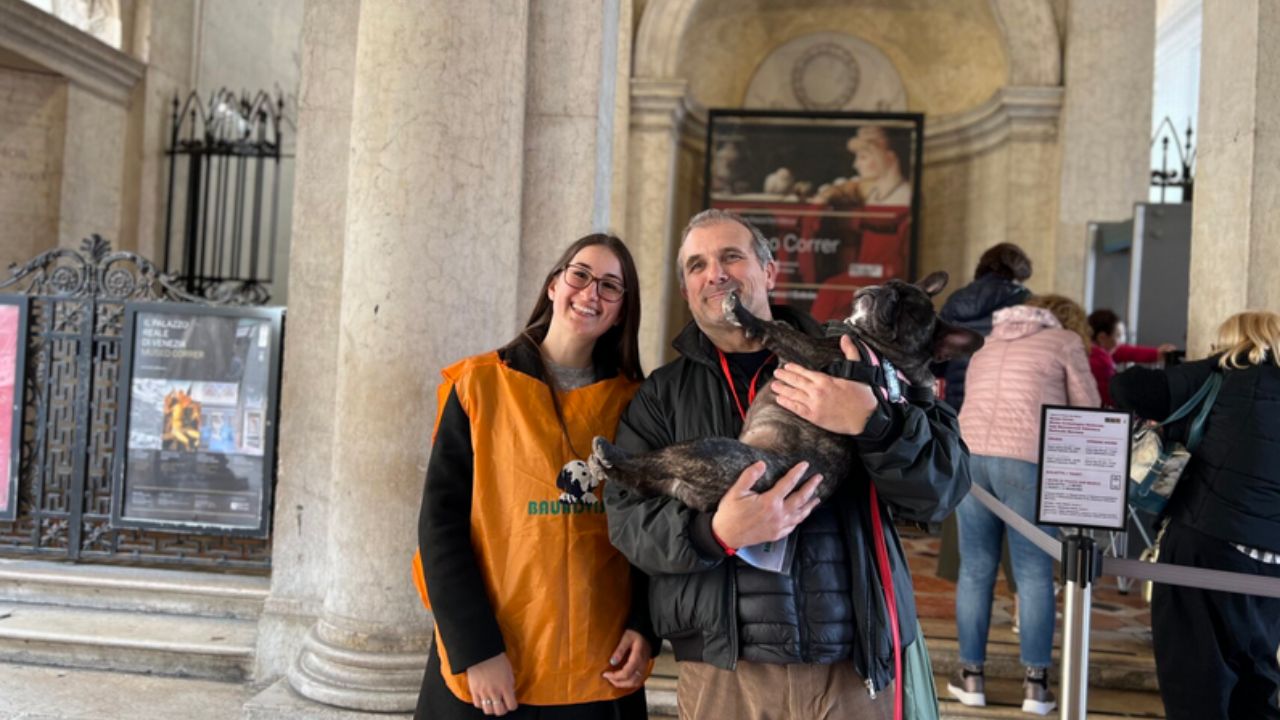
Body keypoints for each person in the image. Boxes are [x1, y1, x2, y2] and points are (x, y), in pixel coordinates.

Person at [603, 209, 971, 720]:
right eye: (697, 265)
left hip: (853, 660)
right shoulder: (662, 395)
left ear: (770, 272)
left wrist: (874, 422)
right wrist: (715, 533)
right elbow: (627, 521)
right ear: (686, 291)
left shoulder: (859, 359)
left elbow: (942, 488)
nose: (717, 273)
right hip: (727, 671)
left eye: (732, 256)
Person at [412, 234, 655, 719]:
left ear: (623, 310)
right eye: (580, 275)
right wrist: (475, 650)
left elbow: (654, 527)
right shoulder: (479, 386)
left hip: (599, 665)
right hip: (496, 661)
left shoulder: (638, 404)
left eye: (611, 286)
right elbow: (440, 528)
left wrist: (646, 627)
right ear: (553, 285)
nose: (591, 293)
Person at [1112, 310, 1280, 720]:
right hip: (1271, 563)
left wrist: (1218, 363)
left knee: (1194, 678)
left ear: (1238, 344)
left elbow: (1126, 386)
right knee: (1257, 679)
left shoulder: (1226, 373)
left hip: (1204, 545)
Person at [947, 294, 1099, 716]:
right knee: (1033, 571)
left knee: (975, 568)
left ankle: (971, 678)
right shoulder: (1064, 340)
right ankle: (1035, 687)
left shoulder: (988, 343)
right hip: (1027, 461)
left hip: (971, 456)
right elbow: (1087, 409)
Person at [933, 243, 1032, 597]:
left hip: (962, 412)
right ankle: (1020, 594)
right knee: (1022, 525)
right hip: (1011, 417)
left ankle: (957, 575)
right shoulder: (1025, 303)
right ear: (1018, 272)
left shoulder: (957, 301)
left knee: (968, 510)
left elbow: (938, 359)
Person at [1086, 308, 1176, 407]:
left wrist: (1156, 354)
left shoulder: (1091, 351)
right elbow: (1113, 398)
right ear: (1102, 337)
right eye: (1118, 336)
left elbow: (1124, 352)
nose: (1122, 341)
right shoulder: (1100, 362)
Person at [814, 125, 912, 207]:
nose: (855, 165)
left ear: (889, 158)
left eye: (863, 157)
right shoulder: (873, 194)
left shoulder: (905, 196)